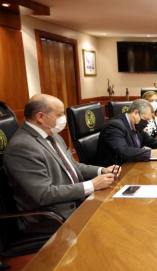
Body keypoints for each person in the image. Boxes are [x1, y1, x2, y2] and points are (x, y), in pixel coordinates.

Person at [4, 94, 120, 233]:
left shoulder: (53, 135)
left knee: (119, 210)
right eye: (59, 114)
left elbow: (72, 166)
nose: (63, 118)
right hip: (51, 217)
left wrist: (101, 171)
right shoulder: (22, 146)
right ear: (40, 117)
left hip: (75, 203)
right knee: (112, 227)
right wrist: (92, 185)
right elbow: (43, 194)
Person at [96, 99, 157, 167]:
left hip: (132, 166)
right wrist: (152, 153)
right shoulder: (115, 126)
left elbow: (148, 139)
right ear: (135, 113)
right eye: (145, 119)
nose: (146, 123)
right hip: (116, 171)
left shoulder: (135, 124)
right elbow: (124, 151)